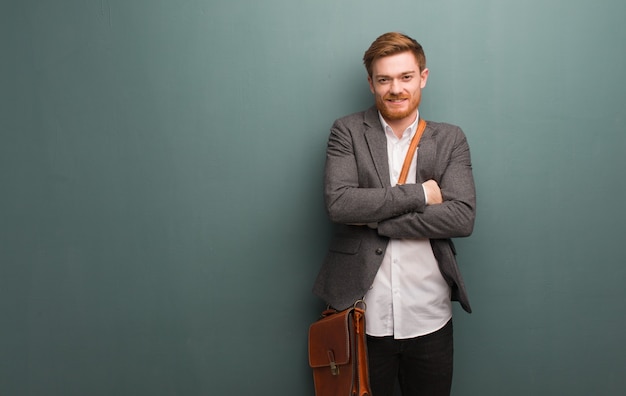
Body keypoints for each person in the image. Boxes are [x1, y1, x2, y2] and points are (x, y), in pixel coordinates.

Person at [313, 32, 476, 396]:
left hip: (430, 318)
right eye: (384, 79)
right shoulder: (347, 132)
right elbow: (340, 204)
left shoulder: (450, 139)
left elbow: (461, 217)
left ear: (423, 77)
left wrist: (375, 217)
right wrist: (421, 193)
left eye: (405, 77)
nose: (395, 89)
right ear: (371, 83)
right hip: (361, 317)